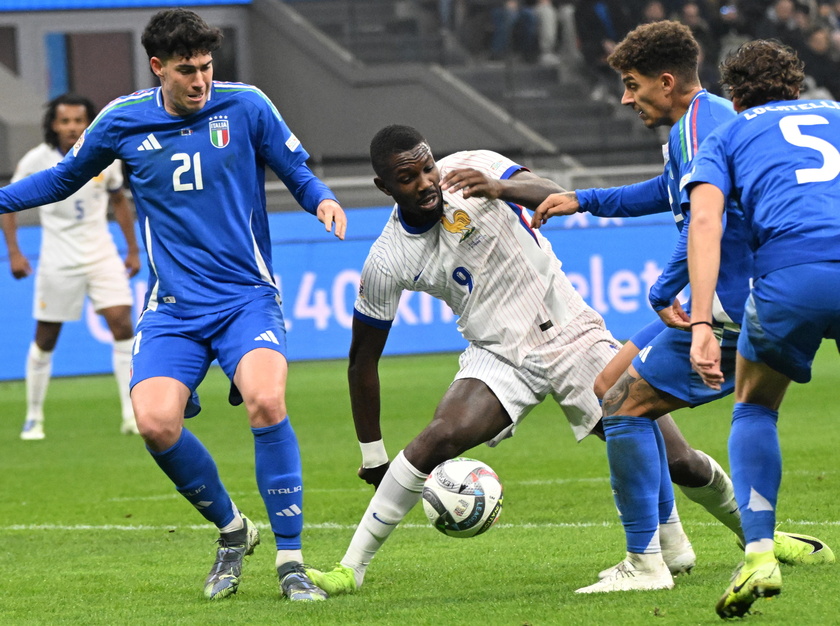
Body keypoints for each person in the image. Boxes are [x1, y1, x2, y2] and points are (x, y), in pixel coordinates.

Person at [0, 8, 347, 603]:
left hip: (245, 298)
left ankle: (291, 561)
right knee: (155, 421)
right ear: (158, 66)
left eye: (208, 68)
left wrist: (323, 199)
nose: (201, 82)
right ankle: (234, 531)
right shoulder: (121, 120)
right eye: (187, 70)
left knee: (266, 399)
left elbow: (296, 169)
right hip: (174, 309)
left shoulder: (246, 105)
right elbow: (61, 180)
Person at [303, 123, 699, 596]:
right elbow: (361, 360)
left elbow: (553, 196)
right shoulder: (387, 259)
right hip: (498, 354)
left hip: (571, 333)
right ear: (383, 187)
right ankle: (351, 569)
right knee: (439, 436)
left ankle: (757, 537)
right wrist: (373, 456)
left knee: (678, 459)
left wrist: (502, 187)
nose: (426, 182)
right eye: (408, 178)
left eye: (427, 167)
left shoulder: (477, 169)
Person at [530, 20, 834, 593]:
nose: (626, 97)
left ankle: (649, 561)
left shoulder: (712, 125)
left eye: (632, 83)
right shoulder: (701, 125)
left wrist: (672, 291)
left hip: (735, 297)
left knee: (624, 403)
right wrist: (585, 200)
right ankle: (685, 542)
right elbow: (669, 192)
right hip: (751, 286)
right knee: (608, 385)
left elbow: (709, 219)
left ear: (666, 82)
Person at [687, 39, 840, 618]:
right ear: (797, 87)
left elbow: (705, 221)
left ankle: (758, 554)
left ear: (733, 94)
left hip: (790, 276)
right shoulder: (837, 115)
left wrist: (701, 321)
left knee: (754, 407)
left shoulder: (726, 134)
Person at [1, 93, 140, 440]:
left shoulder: (104, 155)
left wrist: (133, 249)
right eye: (65, 121)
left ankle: (131, 415)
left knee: (123, 324)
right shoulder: (37, 159)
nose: (72, 127)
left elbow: (119, 200)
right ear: (53, 124)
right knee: (46, 337)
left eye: (79, 121)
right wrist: (15, 252)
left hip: (101, 254)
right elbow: (10, 203)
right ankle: (33, 416)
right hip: (57, 259)